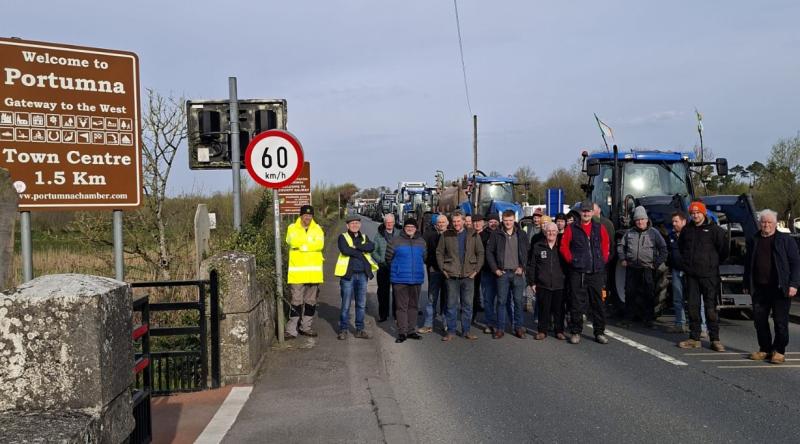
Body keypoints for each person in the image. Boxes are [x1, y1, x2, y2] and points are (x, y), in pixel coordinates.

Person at [744, 209, 800, 364]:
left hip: (780, 288)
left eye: (769, 222)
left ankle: (779, 351)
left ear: (775, 224)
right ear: (759, 223)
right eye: (763, 222)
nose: (766, 225)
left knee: (780, 322)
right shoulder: (754, 240)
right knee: (759, 321)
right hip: (759, 288)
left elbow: (796, 263)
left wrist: (794, 284)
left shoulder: (785, 240)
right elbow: (748, 264)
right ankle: (765, 348)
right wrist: (746, 283)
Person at [678, 201, 729, 351]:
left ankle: (715, 339)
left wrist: (712, 263)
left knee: (710, 308)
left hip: (709, 276)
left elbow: (724, 250)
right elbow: (681, 248)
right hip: (691, 275)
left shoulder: (715, 231)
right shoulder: (686, 230)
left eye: (698, 213)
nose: (695, 216)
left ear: (703, 213)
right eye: (693, 213)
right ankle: (694, 338)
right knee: (692, 307)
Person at [560, 200, 611, 344]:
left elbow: (606, 245)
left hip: (596, 272)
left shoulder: (599, 228)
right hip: (578, 272)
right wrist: (572, 260)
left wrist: (602, 260)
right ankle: (576, 332)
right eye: (584, 211)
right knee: (576, 303)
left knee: (598, 303)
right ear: (580, 212)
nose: (586, 213)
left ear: (592, 212)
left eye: (588, 211)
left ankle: (599, 332)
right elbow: (564, 246)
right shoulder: (572, 228)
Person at [437, 210, 484, 341]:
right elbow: (439, 252)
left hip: (468, 275)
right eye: (454, 221)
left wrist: (476, 270)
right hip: (451, 275)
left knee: (467, 306)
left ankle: (466, 331)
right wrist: (443, 269)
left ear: (463, 221)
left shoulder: (473, 234)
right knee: (451, 305)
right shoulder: (446, 235)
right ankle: (451, 331)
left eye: (458, 221)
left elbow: (480, 253)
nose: (456, 224)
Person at [617, 206, 667, 328]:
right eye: (637, 220)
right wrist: (622, 259)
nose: (640, 222)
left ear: (646, 219)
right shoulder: (629, 233)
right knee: (630, 293)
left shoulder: (654, 233)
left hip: (647, 268)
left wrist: (656, 264)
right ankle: (627, 319)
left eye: (642, 219)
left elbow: (663, 249)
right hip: (632, 268)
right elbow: (621, 246)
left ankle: (649, 320)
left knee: (649, 294)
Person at [487, 209, 530, 339]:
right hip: (503, 273)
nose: (508, 223)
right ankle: (500, 329)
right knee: (501, 302)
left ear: (514, 220)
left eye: (510, 220)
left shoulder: (522, 234)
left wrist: (522, 267)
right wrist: (495, 269)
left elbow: (527, 252)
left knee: (518, 301)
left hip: (517, 273)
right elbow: (489, 252)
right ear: (502, 220)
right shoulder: (496, 234)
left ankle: (518, 328)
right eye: (505, 220)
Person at [335, 215, 379, 340]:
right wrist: (361, 251)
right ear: (347, 225)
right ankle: (343, 329)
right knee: (346, 304)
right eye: (352, 223)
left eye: (357, 223)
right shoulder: (343, 237)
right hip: (348, 275)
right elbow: (345, 250)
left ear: (360, 225)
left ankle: (360, 329)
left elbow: (371, 247)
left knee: (361, 304)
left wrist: (356, 247)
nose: (355, 225)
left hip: (362, 275)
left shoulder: (364, 237)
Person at [284, 205, 325, 339]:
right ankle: (291, 330)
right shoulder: (292, 227)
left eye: (310, 215)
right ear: (301, 215)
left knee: (310, 302)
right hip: (297, 273)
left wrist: (302, 246)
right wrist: (310, 245)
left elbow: (320, 245)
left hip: (314, 273)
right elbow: (291, 242)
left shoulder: (317, 228)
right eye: (305, 215)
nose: (308, 217)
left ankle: (306, 327)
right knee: (296, 301)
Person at [386, 218, 427, 343]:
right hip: (400, 279)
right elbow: (388, 258)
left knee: (413, 306)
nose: (410, 228)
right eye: (407, 226)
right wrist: (398, 269)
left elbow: (424, 257)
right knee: (401, 307)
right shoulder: (395, 241)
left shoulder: (421, 242)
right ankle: (402, 332)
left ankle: (411, 331)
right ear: (404, 228)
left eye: (412, 227)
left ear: (416, 228)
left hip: (416, 279)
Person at [527, 222, 567, 340]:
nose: (551, 233)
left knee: (559, 310)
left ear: (557, 232)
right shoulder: (538, 246)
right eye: (549, 231)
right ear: (545, 232)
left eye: (554, 231)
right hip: (543, 284)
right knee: (543, 309)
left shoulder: (561, 247)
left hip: (559, 284)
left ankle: (559, 331)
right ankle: (542, 331)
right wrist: (532, 282)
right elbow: (532, 265)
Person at [419, 215, 449, 334]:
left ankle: (446, 325)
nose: (441, 224)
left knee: (447, 299)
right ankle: (428, 324)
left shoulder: (451, 235)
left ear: (447, 223)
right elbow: (424, 251)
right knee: (432, 299)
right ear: (436, 224)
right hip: (434, 270)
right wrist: (429, 263)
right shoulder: (430, 235)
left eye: (443, 222)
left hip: (448, 272)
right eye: (439, 222)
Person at [372, 213, 401, 322]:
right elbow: (373, 251)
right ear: (384, 223)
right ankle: (383, 315)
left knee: (397, 292)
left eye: (391, 222)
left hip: (397, 267)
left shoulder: (399, 234)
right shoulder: (378, 235)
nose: (389, 224)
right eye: (387, 222)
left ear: (394, 223)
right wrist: (380, 260)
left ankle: (396, 314)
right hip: (383, 267)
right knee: (383, 292)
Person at [480, 214, 500, 334]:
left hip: (501, 271)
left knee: (502, 300)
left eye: (495, 221)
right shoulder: (482, 235)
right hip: (487, 271)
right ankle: (490, 323)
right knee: (488, 299)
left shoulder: (502, 233)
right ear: (488, 223)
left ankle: (500, 323)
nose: (493, 223)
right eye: (491, 221)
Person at [471, 215, 486, 322]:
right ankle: (473, 315)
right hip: (473, 267)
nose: (477, 224)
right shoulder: (470, 235)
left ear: (483, 223)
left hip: (486, 267)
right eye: (474, 222)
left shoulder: (487, 235)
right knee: (474, 291)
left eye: (479, 221)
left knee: (487, 292)